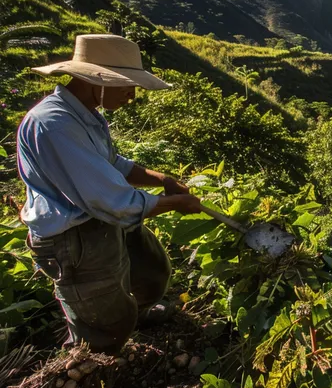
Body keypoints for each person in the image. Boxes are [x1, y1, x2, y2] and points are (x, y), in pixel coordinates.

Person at [16, 34, 202, 354]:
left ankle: (133, 316)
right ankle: (88, 364)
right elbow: (114, 201)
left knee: (150, 273)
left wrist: (162, 179)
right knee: (103, 325)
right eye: (126, 84)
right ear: (95, 80)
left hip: (100, 219)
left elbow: (112, 164)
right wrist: (174, 204)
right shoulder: (55, 124)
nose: (132, 94)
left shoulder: (85, 114)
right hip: (73, 236)